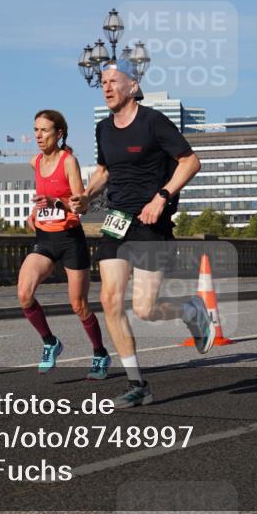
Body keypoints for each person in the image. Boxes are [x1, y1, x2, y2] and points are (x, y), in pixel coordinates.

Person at [70, 58, 211, 409]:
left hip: (151, 222)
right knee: (109, 301)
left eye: (113, 80)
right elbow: (104, 170)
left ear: (133, 86)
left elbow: (190, 162)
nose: (106, 86)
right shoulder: (103, 129)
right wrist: (87, 196)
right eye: (102, 81)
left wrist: (162, 198)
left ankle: (191, 310)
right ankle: (138, 384)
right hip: (117, 221)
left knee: (145, 309)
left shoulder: (153, 122)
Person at [16, 111, 110, 380]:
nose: (38, 136)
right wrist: (35, 214)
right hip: (44, 239)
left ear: (58, 134)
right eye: (36, 130)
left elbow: (80, 204)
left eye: (44, 130)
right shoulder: (34, 162)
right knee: (24, 294)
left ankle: (100, 352)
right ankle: (50, 342)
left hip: (70, 240)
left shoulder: (69, 162)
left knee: (78, 304)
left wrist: (57, 202)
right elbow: (41, 200)